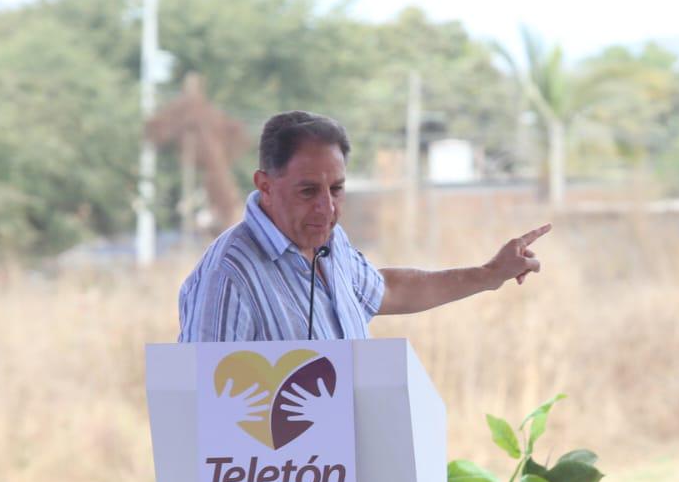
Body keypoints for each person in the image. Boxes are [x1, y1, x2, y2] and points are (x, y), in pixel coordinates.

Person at [178, 110, 549, 343]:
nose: (327, 207)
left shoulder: (330, 242)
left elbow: (388, 290)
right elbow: (207, 413)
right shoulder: (228, 276)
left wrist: (489, 274)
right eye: (308, 191)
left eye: (337, 189)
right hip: (281, 469)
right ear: (265, 186)